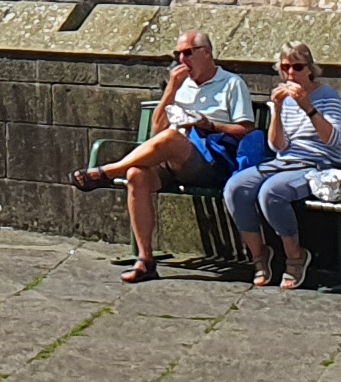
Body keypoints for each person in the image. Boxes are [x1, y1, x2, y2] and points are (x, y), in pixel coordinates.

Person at [71, 30, 264, 282]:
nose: (182, 59)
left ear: (206, 53)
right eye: (178, 54)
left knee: (172, 139)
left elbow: (246, 130)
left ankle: (107, 172)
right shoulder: (180, 85)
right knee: (136, 174)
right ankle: (145, 260)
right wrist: (171, 89)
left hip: (209, 160)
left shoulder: (231, 83)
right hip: (171, 159)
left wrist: (210, 125)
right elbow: (157, 130)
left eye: (188, 53)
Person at [229, 45, 341, 287]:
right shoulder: (282, 99)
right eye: (285, 68)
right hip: (284, 161)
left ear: (310, 70)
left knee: (271, 192)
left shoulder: (327, 96)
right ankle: (259, 256)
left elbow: (334, 139)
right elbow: (277, 146)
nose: (291, 73)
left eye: (297, 67)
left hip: (318, 163)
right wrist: (277, 109)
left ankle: (295, 256)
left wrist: (307, 106)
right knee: (235, 187)